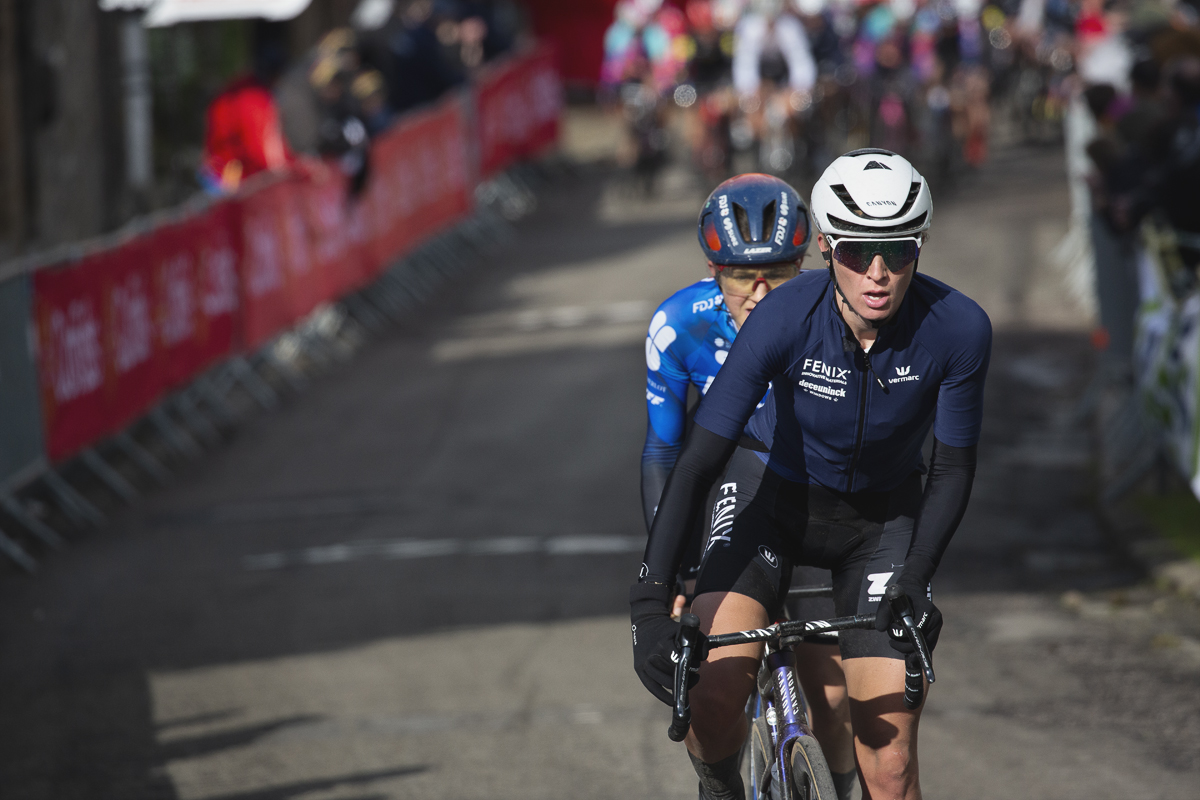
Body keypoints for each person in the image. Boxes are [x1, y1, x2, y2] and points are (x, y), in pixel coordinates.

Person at [630, 148, 992, 800]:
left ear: (920, 246)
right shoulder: (784, 315)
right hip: (768, 498)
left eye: (899, 252)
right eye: (857, 252)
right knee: (713, 694)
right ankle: (721, 788)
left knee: (890, 763)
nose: (878, 273)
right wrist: (650, 605)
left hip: (879, 522)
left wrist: (917, 575)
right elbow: (697, 460)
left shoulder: (959, 328)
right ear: (825, 247)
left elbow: (952, 465)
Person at [642, 173, 809, 595]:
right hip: (733, 480)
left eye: (777, 273)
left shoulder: (837, 315)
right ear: (714, 271)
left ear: (802, 266)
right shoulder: (679, 325)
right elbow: (663, 452)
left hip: (818, 484)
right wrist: (671, 571)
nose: (760, 294)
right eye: (741, 275)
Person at [200, 32, 295, 194]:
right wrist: (289, 171)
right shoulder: (255, 98)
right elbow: (263, 150)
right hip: (233, 179)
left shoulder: (237, 89)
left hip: (217, 171)